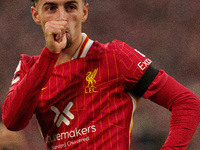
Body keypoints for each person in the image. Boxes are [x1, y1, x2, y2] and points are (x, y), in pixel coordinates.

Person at [1, 0, 200, 149]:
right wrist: (49, 55)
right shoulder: (30, 67)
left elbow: (186, 102)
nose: (61, 17)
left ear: (84, 11)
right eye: (51, 8)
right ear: (36, 15)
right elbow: (12, 121)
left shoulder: (115, 57)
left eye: (70, 7)